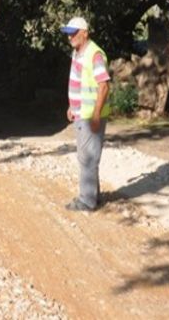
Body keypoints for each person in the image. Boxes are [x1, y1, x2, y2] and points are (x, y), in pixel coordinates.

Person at [60, 16, 110, 212]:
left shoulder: (94, 54)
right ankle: (93, 196)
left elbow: (104, 86)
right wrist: (72, 106)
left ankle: (87, 201)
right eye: (68, 34)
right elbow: (79, 82)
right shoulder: (78, 53)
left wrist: (96, 114)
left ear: (85, 33)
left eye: (73, 33)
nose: (70, 37)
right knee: (86, 156)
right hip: (81, 113)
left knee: (87, 158)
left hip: (90, 116)